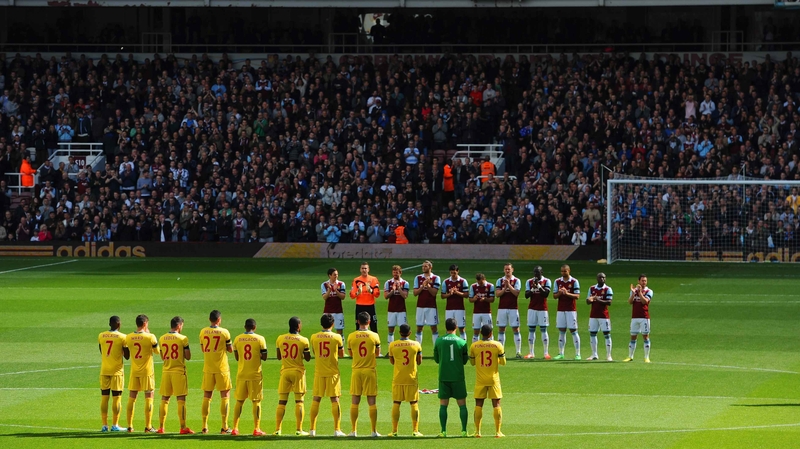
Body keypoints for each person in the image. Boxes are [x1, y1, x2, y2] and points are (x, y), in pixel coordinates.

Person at [309, 314, 347, 437]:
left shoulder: (314, 337)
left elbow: (315, 352)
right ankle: (337, 430)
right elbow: (341, 354)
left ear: (321, 324)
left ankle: (312, 430)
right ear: (332, 324)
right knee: (335, 400)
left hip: (319, 372)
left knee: (316, 399)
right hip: (332, 373)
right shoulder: (337, 337)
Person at [157, 316, 194, 434]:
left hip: (166, 371)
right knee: (181, 399)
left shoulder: (162, 338)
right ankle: (183, 427)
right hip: (178, 371)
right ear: (178, 326)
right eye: (182, 325)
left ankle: (161, 427)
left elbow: (162, 357)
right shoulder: (183, 339)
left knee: (164, 399)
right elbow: (188, 357)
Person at [275, 316, 311, 436]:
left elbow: (279, 356)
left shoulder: (280, 338)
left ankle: (278, 429)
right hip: (298, 372)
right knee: (299, 401)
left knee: (282, 402)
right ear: (298, 326)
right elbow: (307, 358)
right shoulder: (304, 340)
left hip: (284, 372)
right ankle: (299, 429)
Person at [433, 318, 469, 438]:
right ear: (456, 327)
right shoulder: (462, 342)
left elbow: (437, 359)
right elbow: (464, 361)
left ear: (445, 327)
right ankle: (464, 431)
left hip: (444, 376)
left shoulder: (439, 341)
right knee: (462, 404)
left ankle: (443, 431)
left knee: (443, 404)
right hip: (458, 377)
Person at [347, 311, 382, 437]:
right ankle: (373, 431)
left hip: (356, 371)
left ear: (357, 321)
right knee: (371, 401)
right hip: (370, 370)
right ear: (369, 322)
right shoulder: (374, 336)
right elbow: (378, 354)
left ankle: (353, 431)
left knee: (355, 400)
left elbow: (351, 353)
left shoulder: (351, 336)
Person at [231, 318, 268, 436]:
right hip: (255, 375)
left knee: (239, 401)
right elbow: (265, 357)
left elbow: (237, 357)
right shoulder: (260, 339)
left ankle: (235, 428)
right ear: (255, 327)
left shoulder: (237, 339)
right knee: (256, 401)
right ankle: (257, 428)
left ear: (244, 327)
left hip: (242, 374)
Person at [199, 309, 233, 434]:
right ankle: (224, 426)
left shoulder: (203, 332)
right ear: (219, 319)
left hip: (208, 368)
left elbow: (203, 348)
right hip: (222, 368)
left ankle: (204, 426)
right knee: (225, 395)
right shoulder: (224, 332)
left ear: (210, 319)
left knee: (207, 396)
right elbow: (230, 349)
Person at [469, 324, 506, 438]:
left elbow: (472, 363)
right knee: (496, 403)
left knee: (478, 404)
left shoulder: (474, 346)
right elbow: (503, 362)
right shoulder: (497, 345)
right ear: (491, 333)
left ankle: (477, 432)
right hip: (493, 379)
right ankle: (498, 432)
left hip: (480, 380)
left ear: (481, 333)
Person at [387, 323, 423, 437]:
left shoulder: (393, 345)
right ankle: (415, 430)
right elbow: (419, 361)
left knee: (396, 403)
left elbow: (392, 362)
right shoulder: (416, 345)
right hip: (411, 378)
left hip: (398, 378)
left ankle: (394, 431)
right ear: (410, 333)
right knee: (414, 403)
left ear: (399, 332)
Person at [125, 314, 159, 433]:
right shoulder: (150, 337)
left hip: (134, 371)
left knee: (132, 397)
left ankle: (129, 426)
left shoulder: (128, 337)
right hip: (147, 372)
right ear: (145, 324)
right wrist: (149, 334)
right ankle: (148, 426)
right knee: (149, 397)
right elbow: (157, 351)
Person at [99, 315, 129, 432]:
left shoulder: (101, 336)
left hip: (104, 370)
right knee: (117, 398)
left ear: (109, 324)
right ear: (118, 325)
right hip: (116, 372)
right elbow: (127, 356)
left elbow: (102, 351)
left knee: (104, 397)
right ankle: (115, 425)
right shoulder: (123, 337)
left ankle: (104, 425)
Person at [553, 264, 581, 360]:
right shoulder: (557, 281)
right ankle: (561, 353)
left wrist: (567, 293)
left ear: (569, 271)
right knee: (561, 331)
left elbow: (577, 296)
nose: (563, 273)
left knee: (573, 330)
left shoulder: (574, 282)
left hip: (571, 310)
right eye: (562, 271)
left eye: (565, 271)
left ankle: (578, 354)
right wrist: (560, 293)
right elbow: (554, 296)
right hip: (560, 310)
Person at [494, 263, 523, 358]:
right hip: (502, 308)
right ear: (504, 270)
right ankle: (501, 352)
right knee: (501, 329)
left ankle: (518, 352)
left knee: (516, 329)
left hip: (513, 308)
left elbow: (516, 293)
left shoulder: (517, 280)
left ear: (512, 270)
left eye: (509, 269)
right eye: (506, 269)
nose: (507, 271)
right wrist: (505, 288)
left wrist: (509, 285)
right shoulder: (499, 280)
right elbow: (497, 294)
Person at [524, 266, 552, 359]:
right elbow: (526, 296)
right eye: (535, 273)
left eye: (538, 273)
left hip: (542, 309)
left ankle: (546, 353)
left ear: (542, 272)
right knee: (531, 330)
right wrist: (532, 289)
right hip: (532, 308)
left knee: (543, 330)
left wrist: (538, 286)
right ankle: (531, 352)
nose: (536, 275)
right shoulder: (529, 281)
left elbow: (545, 294)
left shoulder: (547, 281)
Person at [626, 274, 653, 363]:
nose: (644, 282)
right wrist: (633, 294)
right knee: (633, 337)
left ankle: (646, 357)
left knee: (645, 336)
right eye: (642, 281)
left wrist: (640, 292)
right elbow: (630, 302)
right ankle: (630, 356)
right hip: (634, 317)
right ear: (638, 281)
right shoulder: (634, 291)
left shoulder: (649, 291)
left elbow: (644, 301)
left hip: (644, 317)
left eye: (645, 281)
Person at [586, 273, 614, 361]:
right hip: (593, 315)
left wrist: (598, 299)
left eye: (603, 277)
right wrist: (589, 300)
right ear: (597, 278)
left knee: (607, 334)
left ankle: (609, 355)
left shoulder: (608, 289)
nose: (602, 279)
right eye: (600, 277)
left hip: (604, 316)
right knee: (592, 334)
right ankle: (594, 354)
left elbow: (609, 302)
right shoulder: (591, 288)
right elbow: (588, 301)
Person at [413, 260, 442, 345]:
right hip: (420, 306)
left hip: (431, 306)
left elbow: (434, 293)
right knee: (419, 327)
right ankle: (418, 349)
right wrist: (423, 286)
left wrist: (428, 286)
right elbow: (415, 293)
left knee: (433, 328)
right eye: (423, 266)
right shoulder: (418, 278)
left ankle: (436, 348)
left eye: (425, 266)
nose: (423, 268)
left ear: (430, 267)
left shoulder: (436, 278)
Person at [349, 262, 380, 335]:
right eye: (362, 268)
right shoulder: (356, 280)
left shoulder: (373, 279)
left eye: (365, 268)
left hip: (370, 306)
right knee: (358, 327)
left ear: (368, 269)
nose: (364, 270)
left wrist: (371, 291)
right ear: (360, 269)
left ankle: (376, 345)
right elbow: (352, 295)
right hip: (360, 306)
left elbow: (377, 294)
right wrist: (358, 293)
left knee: (373, 326)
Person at [442, 264, 469, 340]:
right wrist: (449, 294)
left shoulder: (463, 281)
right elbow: (443, 296)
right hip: (449, 309)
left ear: (458, 271)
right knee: (449, 329)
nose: (453, 275)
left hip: (460, 308)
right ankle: (450, 343)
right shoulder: (446, 282)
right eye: (451, 273)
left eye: (454, 273)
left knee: (461, 328)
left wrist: (457, 292)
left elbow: (466, 295)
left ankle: (463, 345)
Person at [384, 265, 410, 345]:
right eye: (394, 272)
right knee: (391, 329)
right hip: (391, 310)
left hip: (401, 310)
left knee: (404, 329)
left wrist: (399, 288)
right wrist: (393, 290)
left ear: (400, 273)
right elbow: (386, 296)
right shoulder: (388, 283)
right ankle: (390, 349)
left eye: (397, 272)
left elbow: (405, 296)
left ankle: (404, 346)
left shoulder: (405, 283)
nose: (395, 274)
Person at [469, 273, 495, 343]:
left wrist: (485, 299)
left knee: (489, 331)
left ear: (484, 279)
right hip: (476, 312)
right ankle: (475, 348)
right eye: (478, 282)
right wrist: (474, 299)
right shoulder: (473, 286)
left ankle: (491, 347)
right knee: (476, 331)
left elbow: (492, 299)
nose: (480, 284)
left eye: (481, 282)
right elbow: (470, 300)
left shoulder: (490, 286)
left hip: (487, 312)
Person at [322, 268, 347, 336]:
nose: (336, 276)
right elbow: (324, 297)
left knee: (340, 332)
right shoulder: (324, 284)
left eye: (337, 274)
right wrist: (329, 290)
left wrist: (336, 291)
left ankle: (341, 345)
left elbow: (343, 297)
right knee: (326, 331)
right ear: (330, 275)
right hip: (327, 311)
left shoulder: (341, 284)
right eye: (334, 275)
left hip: (338, 311)